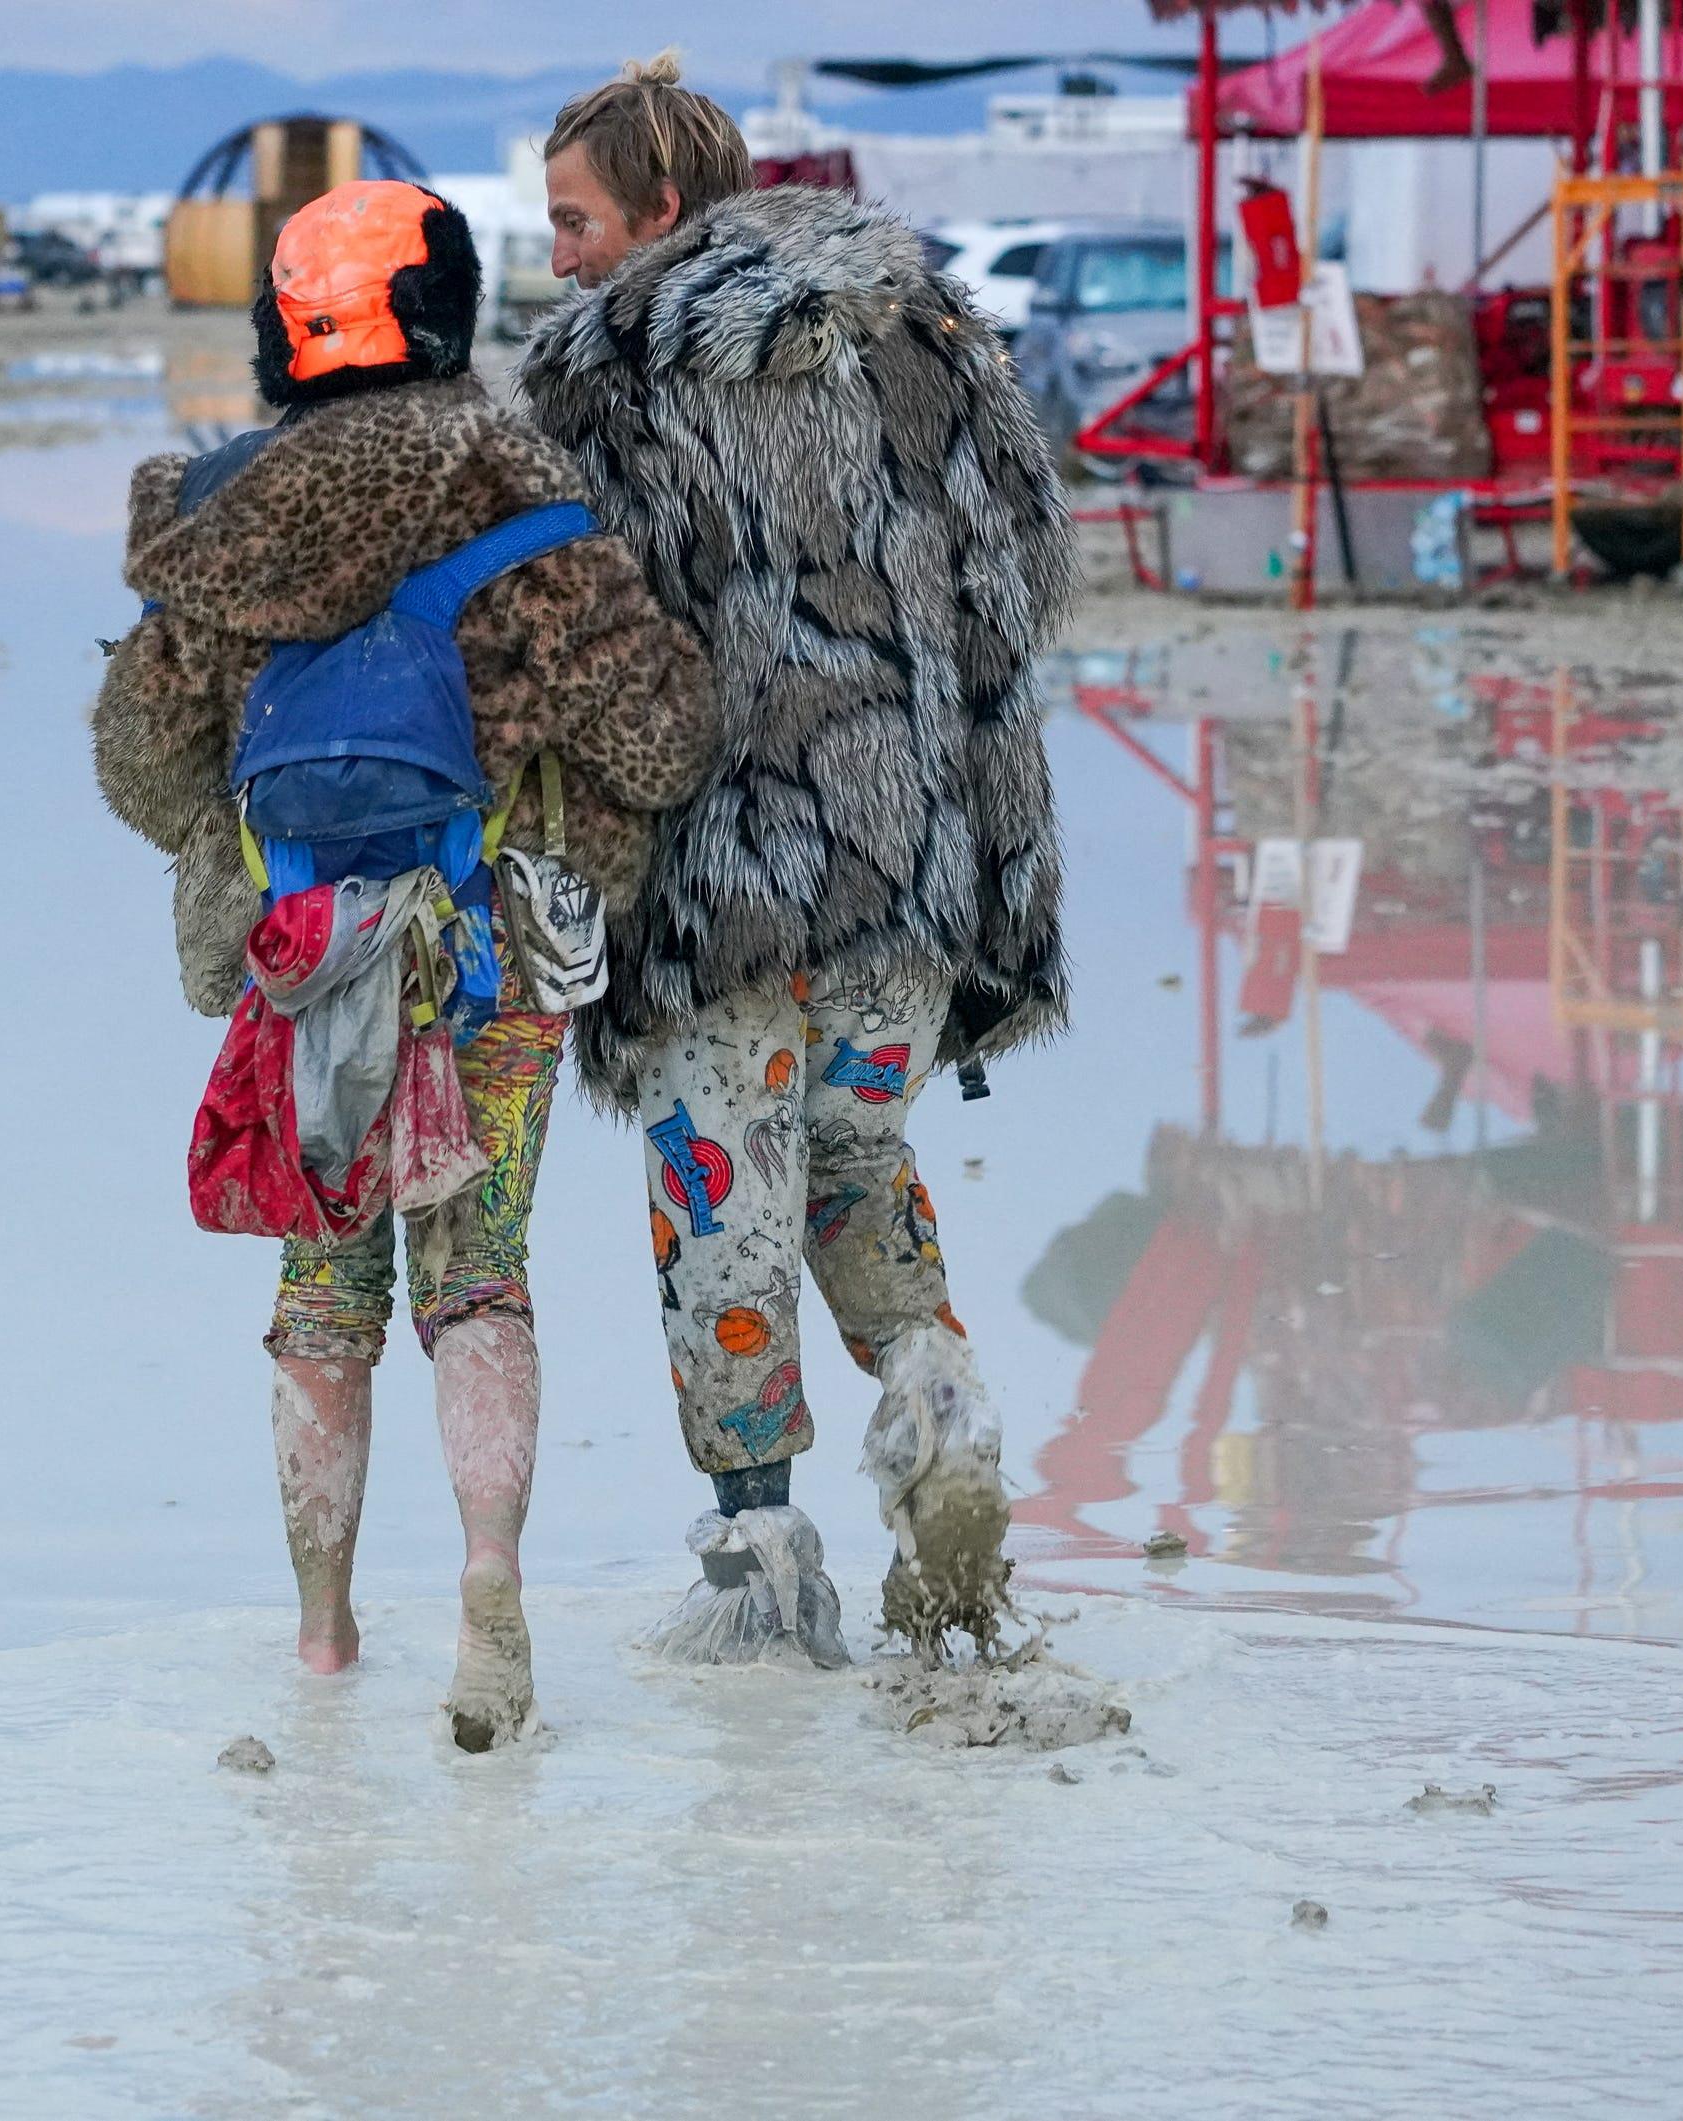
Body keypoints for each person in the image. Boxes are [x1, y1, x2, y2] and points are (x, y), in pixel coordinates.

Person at [94, 179, 715, 1748]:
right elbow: (661, 729)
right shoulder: (518, 486)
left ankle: (319, 1637)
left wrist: (267, 853)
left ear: (283, 329)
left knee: (321, 1290)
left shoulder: (219, 515)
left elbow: (141, 766)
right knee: (480, 1272)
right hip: (488, 953)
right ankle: (491, 1582)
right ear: (441, 311)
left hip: (298, 964)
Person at [518, 57, 1078, 1656]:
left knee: (723, 1205)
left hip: (724, 875)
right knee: (856, 1164)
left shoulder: (609, 375)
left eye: (572, 221)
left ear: (662, 210)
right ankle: (942, 1411)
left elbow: (582, 653)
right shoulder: (930, 332)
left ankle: (762, 1561)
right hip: (918, 860)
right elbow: (1025, 566)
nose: (556, 258)